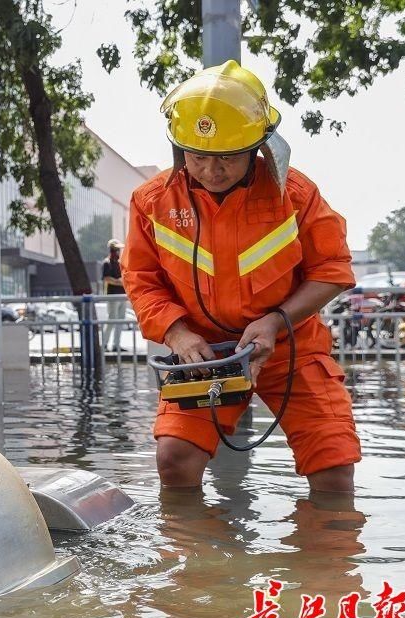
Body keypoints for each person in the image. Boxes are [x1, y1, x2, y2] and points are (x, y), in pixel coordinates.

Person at [121, 60, 360, 493]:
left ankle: (326, 561)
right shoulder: (151, 202)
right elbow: (141, 278)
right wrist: (176, 335)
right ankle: (198, 561)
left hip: (290, 346)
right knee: (174, 461)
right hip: (203, 353)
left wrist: (274, 322)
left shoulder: (296, 195)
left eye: (228, 157)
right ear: (179, 149)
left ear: (258, 147)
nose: (213, 171)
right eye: (199, 157)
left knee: (334, 469)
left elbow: (333, 271)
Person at [101, 239, 127, 352]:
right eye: (116, 250)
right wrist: (119, 282)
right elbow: (106, 278)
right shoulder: (106, 262)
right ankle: (105, 345)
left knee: (120, 321)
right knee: (111, 320)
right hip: (112, 296)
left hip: (122, 295)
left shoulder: (120, 263)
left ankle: (116, 345)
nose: (118, 252)